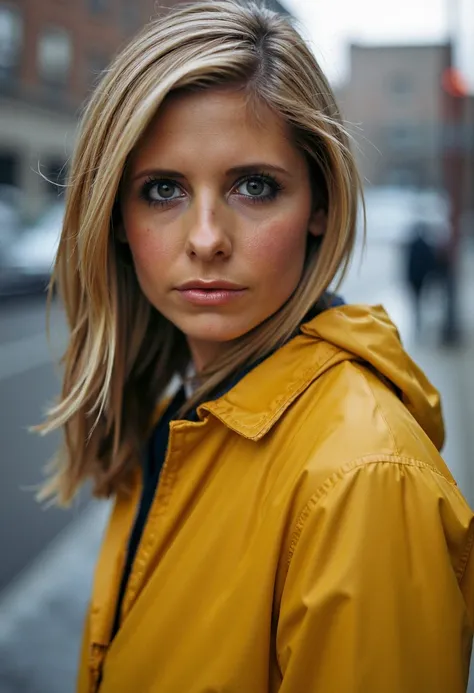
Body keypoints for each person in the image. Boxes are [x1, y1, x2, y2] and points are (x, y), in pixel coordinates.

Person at [38, 2, 474, 692]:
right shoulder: (180, 419)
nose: (206, 237)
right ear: (115, 215)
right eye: (162, 190)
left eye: (253, 186)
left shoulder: (365, 481)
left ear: (320, 204)